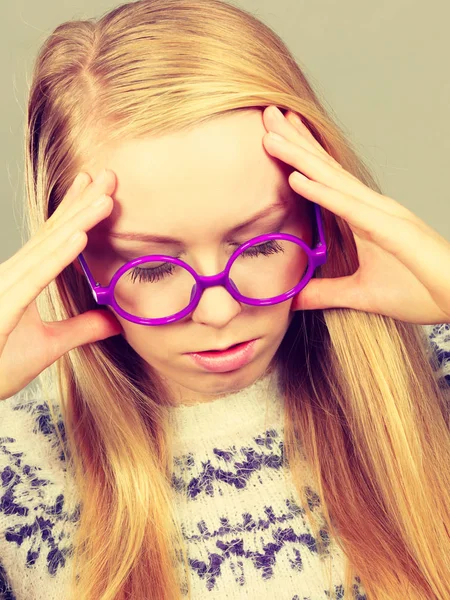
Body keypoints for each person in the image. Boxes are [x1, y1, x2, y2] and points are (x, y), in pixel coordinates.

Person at [0, 1, 449, 599]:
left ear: (323, 221)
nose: (217, 312)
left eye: (262, 245)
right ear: (76, 265)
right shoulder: (19, 473)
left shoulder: (436, 381)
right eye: (155, 265)